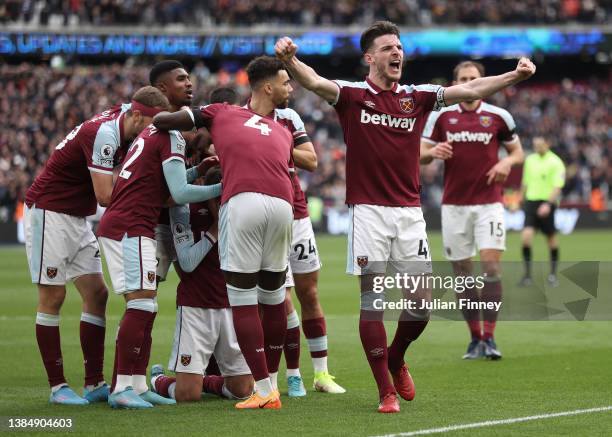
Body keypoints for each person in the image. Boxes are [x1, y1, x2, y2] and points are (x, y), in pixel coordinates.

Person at [275, 21, 535, 413]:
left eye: (399, 46)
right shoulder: (352, 94)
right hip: (367, 212)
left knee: (421, 306)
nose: (397, 53)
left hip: (409, 213)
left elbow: (471, 89)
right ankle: (385, 390)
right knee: (372, 302)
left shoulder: (419, 96)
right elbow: (314, 81)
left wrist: (514, 75)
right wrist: (291, 59)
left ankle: (395, 357)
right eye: (388, 48)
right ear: (370, 57)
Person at [153, 56, 296, 410]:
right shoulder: (281, 130)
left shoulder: (221, 112)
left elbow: (166, 120)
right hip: (283, 205)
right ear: (267, 87)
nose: (290, 87)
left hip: (242, 201)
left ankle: (264, 389)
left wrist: (161, 119)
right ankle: (273, 382)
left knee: (244, 301)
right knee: (275, 298)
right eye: (286, 81)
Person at [24, 86, 162, 405]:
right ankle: (58, 387)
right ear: (137, 116)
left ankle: (93, 383)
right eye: (150, 124)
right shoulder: (105, 134)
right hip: (49, 211)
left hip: (75, 216)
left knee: (97, 294)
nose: (152, 133)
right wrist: (145, 200)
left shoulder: (126, 119)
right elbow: (104, 195)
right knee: (53, 295)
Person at [97, 88, 222, 409]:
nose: (209, 139)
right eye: (209, 131)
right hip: (130, 226)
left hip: (130, 224)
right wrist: (225, 185)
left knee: (146, 305)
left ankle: (137, 385)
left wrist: (197, 170)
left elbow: (164, 182)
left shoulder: (153, 133)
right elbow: (178, 192)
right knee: (140, 305)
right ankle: (122, 386)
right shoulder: (172, 137)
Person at [421, 61, 525, 361]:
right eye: (464, 78)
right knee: (463, 276)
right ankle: (475, 339)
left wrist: (506, 162)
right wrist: (433, 152)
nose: (469, 82)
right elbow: (421, 155)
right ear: (456, 82)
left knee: (491, 268)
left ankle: (490, 337)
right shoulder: (441, 116)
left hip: (489, 203)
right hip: (454, 206)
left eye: (474, 78)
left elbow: (517, 152)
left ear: (482, 82)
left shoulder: (498, 116)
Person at [151, 166, 254, 402]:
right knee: (187, 395)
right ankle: (158, 379)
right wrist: (215, 229)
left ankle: (205, 380)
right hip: (195, 306)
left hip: (232, 305)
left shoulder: (240, 207)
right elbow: (187, 263)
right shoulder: (183, 207)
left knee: (243, 391)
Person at [518, 136, 566, 287]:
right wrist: (520, 198)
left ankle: (552, 275)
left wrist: (547, 204)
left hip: (547, 203)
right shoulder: (530, 160)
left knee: (551, 239)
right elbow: (525, 181)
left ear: (548, 143)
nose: (537, 147)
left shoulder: (556, 162)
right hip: (531, 202)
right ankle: (527, 276)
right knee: (526, 238)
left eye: (540, 144)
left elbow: (557, 186)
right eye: (535, 144)